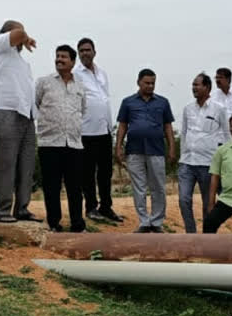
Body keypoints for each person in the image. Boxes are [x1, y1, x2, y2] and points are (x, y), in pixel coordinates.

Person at [0, 19, 39, 223]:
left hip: (25, 114)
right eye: (20, 31)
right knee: (6, 163)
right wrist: (24, 35)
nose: (23, 35)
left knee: (26, 163)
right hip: (3, 110)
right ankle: (3, 210)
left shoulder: (22, 62)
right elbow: (17, 34)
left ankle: (22, 208)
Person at [114, 69, 175, 233]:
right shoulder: (128, 102)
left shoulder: (163, 102)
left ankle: (156, 222)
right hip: (134, 150)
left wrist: (172, 148)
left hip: (156, 150)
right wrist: (118, 146)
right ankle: (144, 221)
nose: (150, 86)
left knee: (158, 187)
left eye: (153, 83)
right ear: (138, 82)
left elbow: (168, 126)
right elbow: (122, 126)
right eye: (147, 83)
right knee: (139, 187)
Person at [35, 45, 87, 233]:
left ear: (73, 62)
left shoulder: (80, 85)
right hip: (49, 143)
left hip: (73, 143)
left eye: (64, 57)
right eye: (57, 56)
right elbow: (37, 103)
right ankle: (54, 223)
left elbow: (83, 109)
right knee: (51, 186)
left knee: (75, 187)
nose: (59, 60)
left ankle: (77, 224)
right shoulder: (44, 82)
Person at [74, 37, 123, 223]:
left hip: (104, 129)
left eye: (88, 50)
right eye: (81, 51)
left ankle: (106, 207)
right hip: (86, 130)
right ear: (78, 54)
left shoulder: (102, 73)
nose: (85, 53)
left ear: (94, 51)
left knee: (105, 172)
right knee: (88, 172)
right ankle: (91, 207)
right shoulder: (76, 74)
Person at [178, 72, 229, 233]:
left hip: (208, 164)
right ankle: (191, 233)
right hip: (187, 162)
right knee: (183, 199)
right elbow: (184, 133)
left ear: (207, 87)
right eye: (193, 85)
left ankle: (207, 236)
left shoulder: (219, 109)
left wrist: (225, 161)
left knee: (208, 203)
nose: (194, 88)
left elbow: (227, 134)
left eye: (197, 85)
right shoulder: (187, 109)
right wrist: (181, 156)